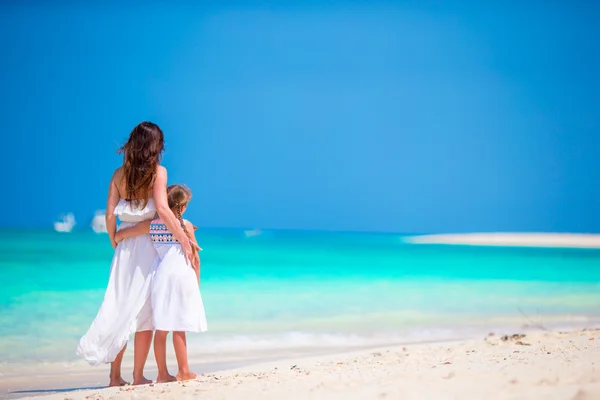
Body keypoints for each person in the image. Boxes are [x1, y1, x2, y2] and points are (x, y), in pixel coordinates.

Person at [76, 122, 199, 386]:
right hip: (148, 245)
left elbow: (110, 215)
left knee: (119, 308)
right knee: (145, 314)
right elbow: (164, 212)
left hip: (124, 248)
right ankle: (138, 375)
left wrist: (114, 240)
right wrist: (184, 241)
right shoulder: (159, 172)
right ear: (155, 146)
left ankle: (114, 376)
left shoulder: (119, 174)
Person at [115, 184, 207, 382]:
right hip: (182, 277)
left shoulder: (153, 225)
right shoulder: (187, 226)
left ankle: (162, 373)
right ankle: (184, 370)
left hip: (161, 277)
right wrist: (197, 284)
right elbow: (195, 260)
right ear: (183, 207)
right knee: (179, 327)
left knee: (162, 328)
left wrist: (116, 238)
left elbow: (125, 233)